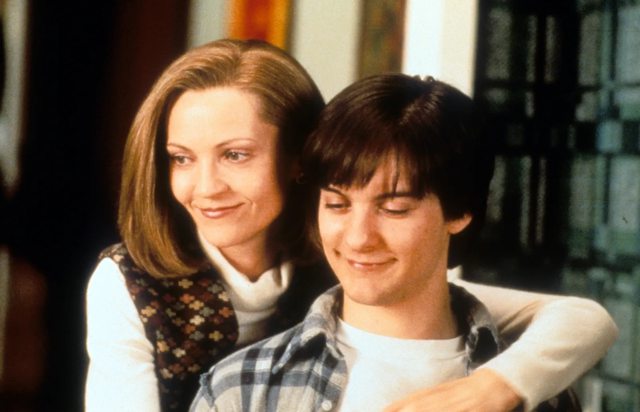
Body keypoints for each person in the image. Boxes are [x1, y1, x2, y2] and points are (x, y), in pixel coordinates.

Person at [85, 40, 616, 412]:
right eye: (180, 158)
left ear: (301, 162)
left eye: (235, 155)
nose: (205, 187)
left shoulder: (340, 260)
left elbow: (583, 318)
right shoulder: (132, 285)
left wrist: (497, 387)